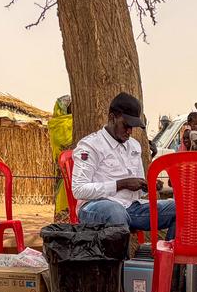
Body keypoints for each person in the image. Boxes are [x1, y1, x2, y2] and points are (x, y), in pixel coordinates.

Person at [72, 93, 176, 238]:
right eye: (126, 125)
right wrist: (121, 184)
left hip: (131, 207)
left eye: (132, 127)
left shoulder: (134, 146)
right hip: (95, 207)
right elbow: (78, 190)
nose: (129, 132)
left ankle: (168, 259)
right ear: (112, 118)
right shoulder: (90, 145)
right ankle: (121, 261)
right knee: (115, 212)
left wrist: (147, 187)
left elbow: (137, 192)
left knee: (181, 209)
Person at [48, 94, 73, 221]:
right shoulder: (58, 125)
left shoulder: (56, 124)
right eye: (70, 107)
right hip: (64, 168)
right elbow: (64, 143)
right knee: (65, 198)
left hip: (74, 170)